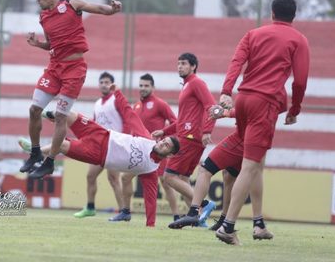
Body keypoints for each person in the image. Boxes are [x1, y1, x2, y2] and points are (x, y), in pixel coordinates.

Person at [214, 0, 310, 246]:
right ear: (294, 15)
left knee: (257, 163)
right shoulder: (298, 39)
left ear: (272, 13)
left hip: (244, 99)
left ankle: (258, 224)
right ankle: (228, 226)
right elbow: (300, 81)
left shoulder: (253, 34)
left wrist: (226, 91)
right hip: (264, 104)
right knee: (250, 166)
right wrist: (295, 109)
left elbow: (237, 62)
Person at [20, 0, 122, 179]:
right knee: (34, 110)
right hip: (54, 68)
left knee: (60, 116)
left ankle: (49, 162)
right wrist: (38, 44)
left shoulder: (72, 5)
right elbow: (52, 44)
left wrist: (113, 9)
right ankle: (35, 153)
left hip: (74, 70)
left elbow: (100, 8)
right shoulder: (44, 17)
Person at [35, 89, 180, 227]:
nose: (162, 144)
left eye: (166, 146)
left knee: (63, 146)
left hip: (99, 155)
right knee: (69, 114)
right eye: (163, 141)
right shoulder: (147, 139)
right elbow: (130, 115)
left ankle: (36, 151)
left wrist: (151, 224)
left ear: (170, 155)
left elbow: (150, 199)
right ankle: (41, 112)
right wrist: (117, 92)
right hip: (101, 133)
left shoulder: (150, 169)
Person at [151, 53, 217, 224]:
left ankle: (204, 203)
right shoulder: (187, 85)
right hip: (189, 136)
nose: (180, 66)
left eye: (184, 63)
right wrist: (164, 132)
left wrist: (207, 130)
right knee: (184, 179)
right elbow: (183, 119)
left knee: (169, 177)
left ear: (193, 66)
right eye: (178, 63)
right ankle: (198, 220)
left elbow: (212, 106)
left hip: (189, 137)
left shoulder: (196, 83)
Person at [120, 73, 179, 222]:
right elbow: (132, 126)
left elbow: (176, 122)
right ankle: (125, 212)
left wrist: (164, 135)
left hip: (157, 153)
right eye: (141, 85)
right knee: (125, 178)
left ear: (153, 87)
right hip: (139, 152)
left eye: (146, 86)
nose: (143, 88)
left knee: (166, 183)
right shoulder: (137, 105)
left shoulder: (160, 104)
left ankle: (177, 216)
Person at [73, 72, 124, 219]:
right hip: (100, 146)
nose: (104, 84)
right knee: (90, 176)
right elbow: (94, 125)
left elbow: (127, 119)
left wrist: (125, 138)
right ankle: (90, 207)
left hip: (114, 144)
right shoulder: (97, 103)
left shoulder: (116, 100)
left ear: (112, 84)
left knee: (114, 178)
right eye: (101, 82)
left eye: (107, 82)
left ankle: (123, 212)